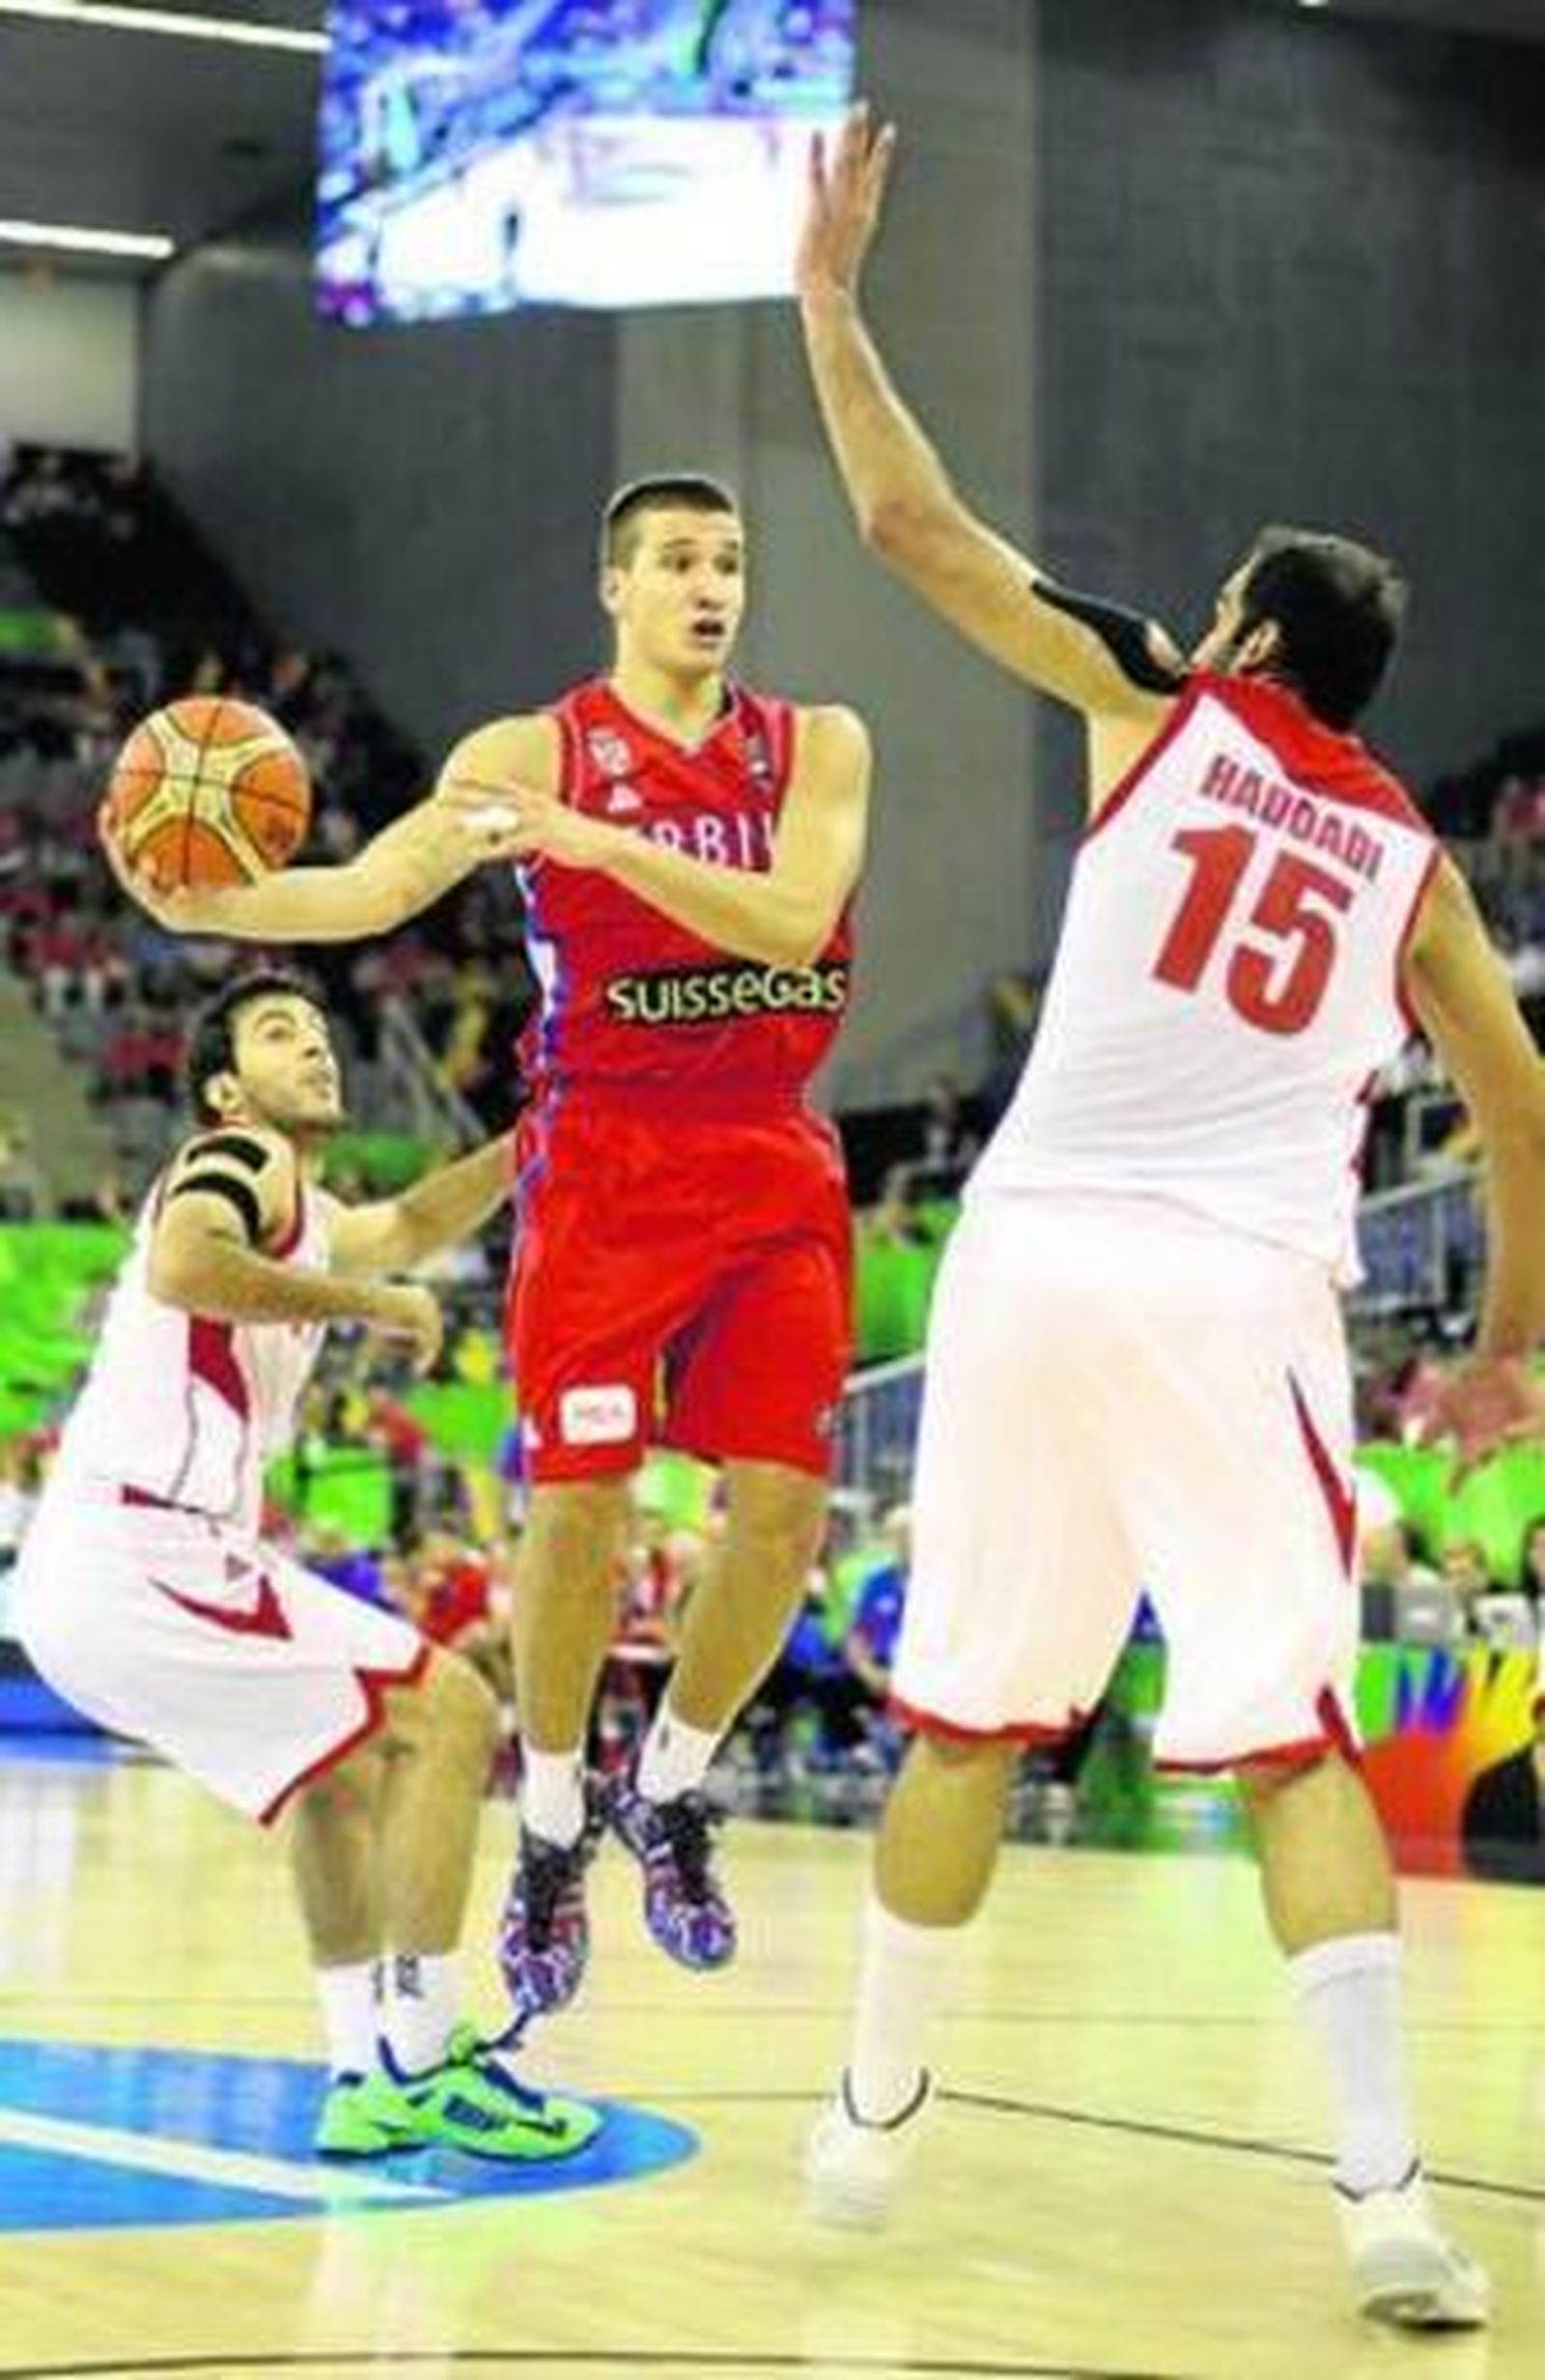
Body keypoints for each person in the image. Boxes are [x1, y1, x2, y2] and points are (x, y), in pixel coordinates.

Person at [792, 105, 1545, 2331]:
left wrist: (828, 294)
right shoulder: (1409, 862)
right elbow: (1516, 1100)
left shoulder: (1157, 698)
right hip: (1233, 1288)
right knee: (1287, 1737)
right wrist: (1501, 1341)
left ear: (1238, 627)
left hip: (1029, 1259)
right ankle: (1383, 2200)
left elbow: (906, 521)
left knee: (962, 1717)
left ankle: (866, 2120)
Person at [105, 475, 872, 2022]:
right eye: (677, 561)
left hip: (770, 1149)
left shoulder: (819, 744)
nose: (710, 585)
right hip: (603, 1160)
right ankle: (551, 1819)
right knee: (580, 1507)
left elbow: (795, 921)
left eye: (729, 562)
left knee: (786, 1509)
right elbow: (374, 887)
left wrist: (596, 843)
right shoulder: (528, 755)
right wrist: (215, 904)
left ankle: (672, 1786)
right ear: (616, 588)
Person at [11, 970, 599, 2166]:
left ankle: (363, 2074)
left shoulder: (307, 1206)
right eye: (280, 1034)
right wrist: (370, 1305)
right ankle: (425, 2060)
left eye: (322, 1031)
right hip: (143, 1545)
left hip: (106, 1567)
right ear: (228, 1089)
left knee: (339, 1772)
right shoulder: (239, 1155)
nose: (317, 1047)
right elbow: (188, 1265)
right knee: (453, 1710)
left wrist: (544, 1133)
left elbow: (415, 1222)